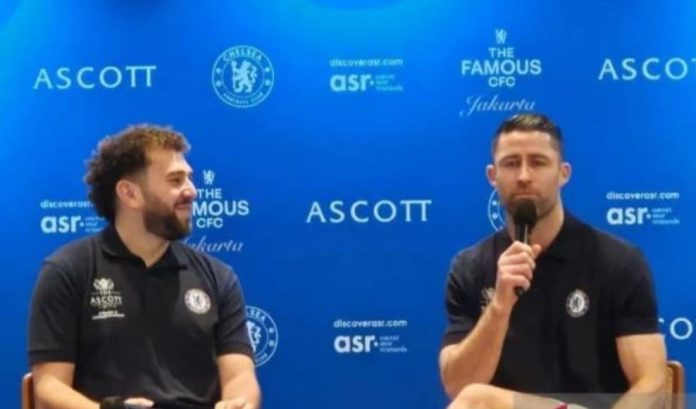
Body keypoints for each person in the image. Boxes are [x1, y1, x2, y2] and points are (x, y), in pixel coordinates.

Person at [439, 113, 666, 409]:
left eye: (538, 162)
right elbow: (458, 386)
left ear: (563, 173)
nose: (523, 176)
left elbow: (652, 382)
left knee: (478, 400)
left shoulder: (619, 261)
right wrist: (500, 306)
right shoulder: (470, 267)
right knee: (474, 398)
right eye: (511, 163)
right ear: (492, 176)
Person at [28, 125, 260, 409]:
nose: (192, 190)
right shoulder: (67, 271)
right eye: (175, 180)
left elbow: (240, 375)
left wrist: (239, 403)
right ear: (129, 194)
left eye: (189, 178)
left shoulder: (218, 277)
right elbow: (48, 387)